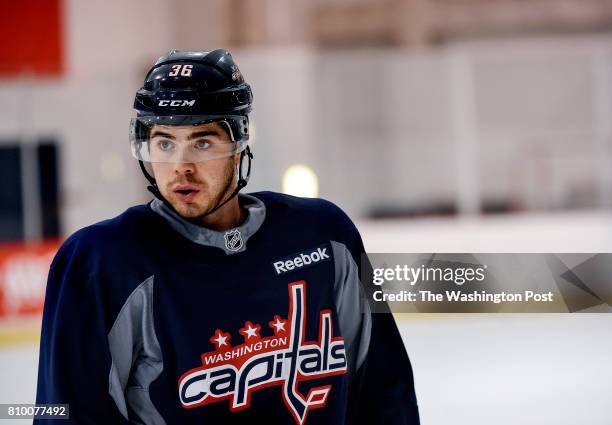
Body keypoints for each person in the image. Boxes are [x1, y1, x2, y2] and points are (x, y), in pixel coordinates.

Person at [34, 48, 420, 424]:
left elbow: (383, 391)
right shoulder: (104, 263)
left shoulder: (324, 236)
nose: (181, 167)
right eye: (164, 143)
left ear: (238, 146)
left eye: (202, 142)